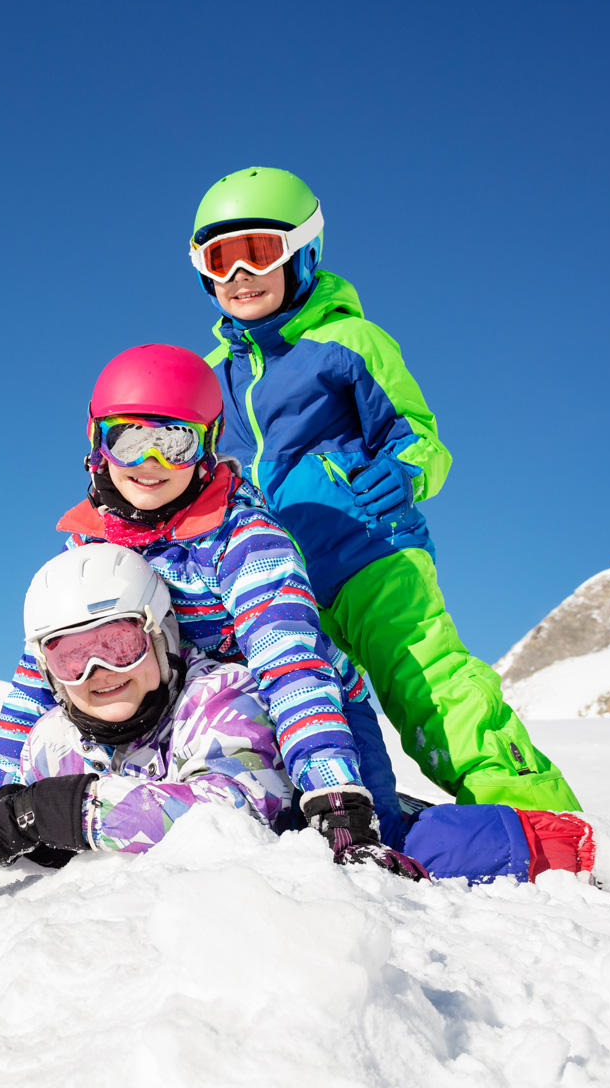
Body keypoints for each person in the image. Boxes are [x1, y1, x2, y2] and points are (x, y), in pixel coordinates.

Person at [0, 545, 610, 908]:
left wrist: (57, 812)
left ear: (160, 636)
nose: (98, 672)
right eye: (71, 655)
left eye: (118, 642)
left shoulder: (221, 697)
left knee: (448, 849)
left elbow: (224, 816)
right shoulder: (54, 741)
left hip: (321, 822)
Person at [189, 166, 578, 811]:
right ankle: (368, 819)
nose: (239, 274)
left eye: (258, 251)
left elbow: (419, 437)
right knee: (315, 711)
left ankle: (539, 815)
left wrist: (405, 473)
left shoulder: (346, 342)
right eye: (219, 259)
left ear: (302, 252)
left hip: (370, 552)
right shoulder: (208, 380)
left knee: (428, 685)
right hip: (275, 582)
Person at [0, 344, 409, 844]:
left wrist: (332, 789)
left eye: (175, 441)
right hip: (185, 727)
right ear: (97, 441)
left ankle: (477, 837)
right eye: (128, 439)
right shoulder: (91, 547)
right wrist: (4, 793)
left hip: (309, 720)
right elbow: (43, 670)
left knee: (373, 845)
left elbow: (289, 659)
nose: (150, 461)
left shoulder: (242, 539)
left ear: (207, 443)